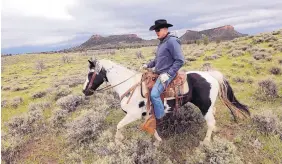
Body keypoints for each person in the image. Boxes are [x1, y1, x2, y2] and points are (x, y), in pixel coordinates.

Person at [143, 19, 184, 120]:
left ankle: (161, 117)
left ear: (165, 29)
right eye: (155, 30)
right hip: (159, 72)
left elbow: (180, 60)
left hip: (167, 74)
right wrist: (147, 65)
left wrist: (169, 74)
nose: (156, 32)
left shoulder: (172, 41)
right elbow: (157, 60)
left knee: (154, 94)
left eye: (158, 30)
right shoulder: (162, 43)